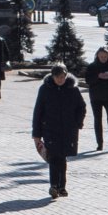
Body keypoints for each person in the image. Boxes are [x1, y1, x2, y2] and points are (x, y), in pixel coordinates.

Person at [30, 62, 86, 199]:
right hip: (50, 129)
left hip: (68, 130)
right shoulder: (45, 89)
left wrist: (77, 123)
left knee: (62, 157)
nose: (60, 80)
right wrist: (36, 134)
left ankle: (62, 186)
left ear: (66, 76)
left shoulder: (73, 89)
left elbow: (81, 107)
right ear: (53, 76)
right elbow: (38, 111)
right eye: (57, 77)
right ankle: (54, 185)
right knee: (54, 157)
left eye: (62, 77)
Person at [82, 47, 108, 151]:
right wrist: (98, 76)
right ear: (97, 56)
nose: (103, 58)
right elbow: (88, 80)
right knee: (97, 120)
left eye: (105, 56)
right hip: (96, 97)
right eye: (101, 56)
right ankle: (100, 143)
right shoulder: (92, 66)